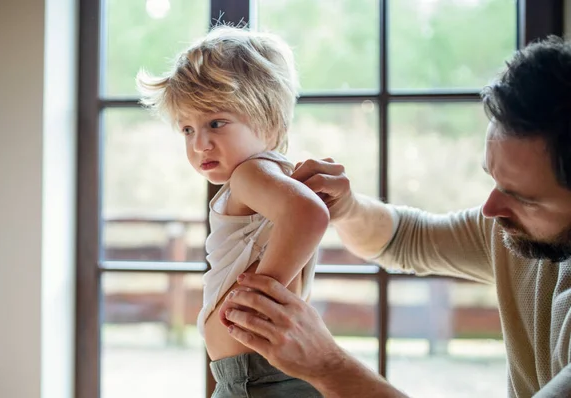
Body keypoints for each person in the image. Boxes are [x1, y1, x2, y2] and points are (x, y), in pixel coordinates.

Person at [220, 35, 571, 398]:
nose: (490, 209)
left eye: (522, 197)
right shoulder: (515, 231)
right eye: (493, 178)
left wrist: (329, 366)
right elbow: (406, 238)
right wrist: (348, 208)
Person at [136, 26, 329, 397]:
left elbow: (309, 215)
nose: (200, 143)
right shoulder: (265, 176)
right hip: (254, 375)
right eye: (187, 129)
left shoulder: (250, 174)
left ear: (269, 121)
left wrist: (256, 300)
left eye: (216, 123)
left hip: (256, 378)